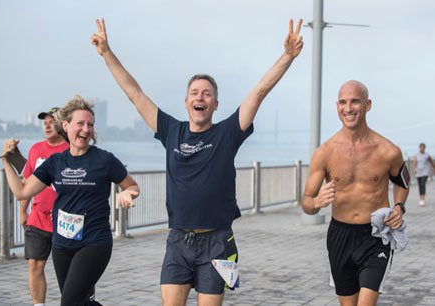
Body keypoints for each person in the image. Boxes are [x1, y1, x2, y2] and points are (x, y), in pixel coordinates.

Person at [92, 17, 303, 306]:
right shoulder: (171, 130)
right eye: (194, 93)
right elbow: (134, 94)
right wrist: (106, 52)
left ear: (215, 104)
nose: (200, 97)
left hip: (217, 242)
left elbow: (259, 92)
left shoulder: (227, 133)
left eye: (207, 93)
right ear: (186, 102)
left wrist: (288, 56)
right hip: (178, 242)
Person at [1, 96, 140, 306]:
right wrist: (5, 161)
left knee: (69, 303)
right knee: (80, 302)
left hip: (94, 242)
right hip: (62, 244)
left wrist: (128, 193)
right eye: (80, 124)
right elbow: (22, 192)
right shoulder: (55, 162)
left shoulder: (105, 160)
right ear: (66, 126)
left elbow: (132, 185)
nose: (86, 129)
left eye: (90, 125)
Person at [301, 80, 410, 306]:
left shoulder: (388, 150)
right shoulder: (325, 152)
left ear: (367, 105)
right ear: (337, 106)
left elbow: (403, 182)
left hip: (375, 236)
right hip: (340, 236)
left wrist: (399, 207)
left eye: (355, 101)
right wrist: (317, 202)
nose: (348, 108)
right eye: (343, 102)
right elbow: (306, 203)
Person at [14, 107, 69, 306]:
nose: (46, 125)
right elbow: (27, 182)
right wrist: (22, 211)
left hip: (65, 220)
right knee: (35, 265)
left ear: (63, 124)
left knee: (69, 269)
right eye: (44, 122)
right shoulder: (36, 149)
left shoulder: (70, 149)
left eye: (51, 121)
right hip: (37, 217)